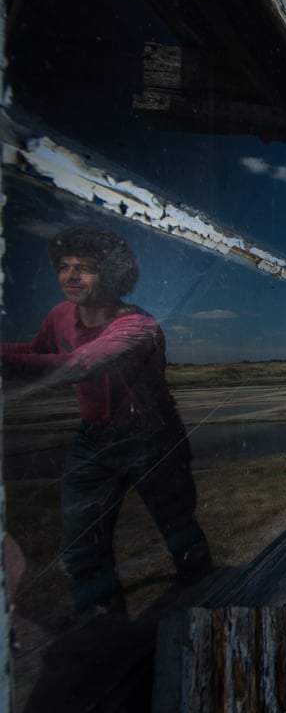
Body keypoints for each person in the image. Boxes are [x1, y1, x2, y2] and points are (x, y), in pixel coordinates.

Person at [2, 226, 211, 617]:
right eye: (64, 267)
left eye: (85, 268)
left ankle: (202, 609)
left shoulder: (138, 326)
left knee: (179, 529)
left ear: (112, 274)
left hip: (152, 438)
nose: (71, 276)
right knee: (81, 541)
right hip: (93, 437)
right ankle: (101, 624)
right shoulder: (60, 316)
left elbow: (79, 365)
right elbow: (36, 353)